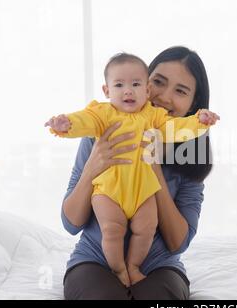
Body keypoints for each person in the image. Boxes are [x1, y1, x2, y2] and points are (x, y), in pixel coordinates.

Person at [46, 52, 219, 287]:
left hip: (159, 265)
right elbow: (71, 224)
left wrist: (153, 166)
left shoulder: (190, 154)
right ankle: (118, 268)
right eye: (159, 82)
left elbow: (178, 244)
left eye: (180, 91)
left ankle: (133, 267)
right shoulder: (103, 132)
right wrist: (91, 167)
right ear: (148, 85)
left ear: (193, 104)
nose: (165, 97)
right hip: (94, 259)